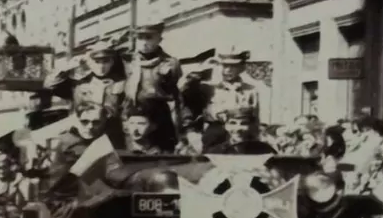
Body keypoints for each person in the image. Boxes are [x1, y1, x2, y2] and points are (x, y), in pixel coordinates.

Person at [45, 39, 127, 147]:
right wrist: (68, 66)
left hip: (109, 136)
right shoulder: (78, 84)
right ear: (89, 62)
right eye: (96, 62)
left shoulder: (121, 83)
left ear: (112, 62)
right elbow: (49, 85)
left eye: (106, 61)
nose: (101, 66)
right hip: (81, 135)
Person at [181, 46, 260, 151]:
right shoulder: (208, 88)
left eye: (233, 66)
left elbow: (255, 118)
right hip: (215, 134)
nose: (228, 70)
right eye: (225, 66)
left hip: (242, 134)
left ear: (241, 68)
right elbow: (186, 101)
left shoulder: (250, 90)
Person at [124, 21, 183, 152]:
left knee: (162, 153)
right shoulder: (128, 61)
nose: (144, 42)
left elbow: (175, 96)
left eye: (149, 38)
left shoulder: (170, 63)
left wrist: (179, 128)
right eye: (140, 38)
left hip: (159, 115)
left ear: (159, 39)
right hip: (133, 115)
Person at [205, 105, 276, 155]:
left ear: (252, 126)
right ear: (226, 126)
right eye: (232, 123)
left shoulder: (264, 150)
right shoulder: (216, 152)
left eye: (243, 123)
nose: (238, 128)